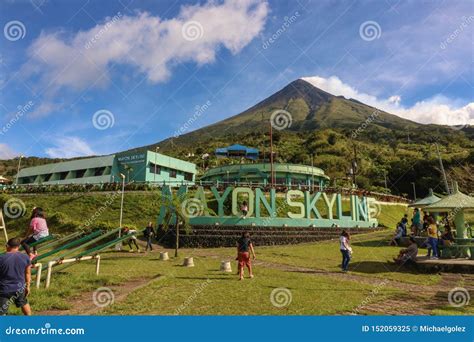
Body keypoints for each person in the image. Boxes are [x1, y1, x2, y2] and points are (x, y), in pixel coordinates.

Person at [0, 238, 32, 315]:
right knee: (23, 303)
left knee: (2, 311)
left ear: (7, 246)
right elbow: (27, 273)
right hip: (19, 288)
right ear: (18, 246)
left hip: (4, 289)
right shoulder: (25, 257)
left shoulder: (1, 258)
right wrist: (27, 286)